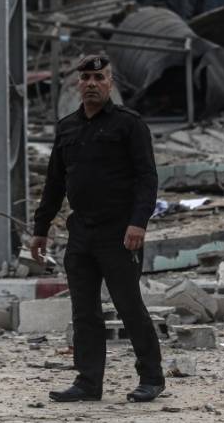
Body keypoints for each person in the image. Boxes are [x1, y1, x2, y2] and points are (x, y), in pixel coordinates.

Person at [30, 53, 165, 403]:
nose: (92, 84)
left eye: (99, 78)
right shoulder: (67, 128)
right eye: (86, 78)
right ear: (78, 84)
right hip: (81, 233)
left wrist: (138, 223)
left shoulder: (129, 125)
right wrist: (40, 228)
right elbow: (54, 183)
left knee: (128, 305)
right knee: (84, 311)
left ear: (110, 83)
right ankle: (88, 382)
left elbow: (147, 178)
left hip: (119, 233)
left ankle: (151, 377)